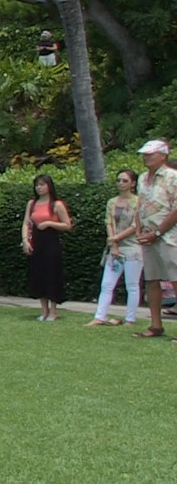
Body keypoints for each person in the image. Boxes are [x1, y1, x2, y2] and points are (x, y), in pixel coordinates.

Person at [133, 140, 177, 339]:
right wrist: (140, 230)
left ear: (163, 155)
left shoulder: (172, 177)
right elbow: (140, 205)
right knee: (152, 280)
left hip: (170, 236)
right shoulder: (142, 179)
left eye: (150, 154)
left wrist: (158, 232)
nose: (146, 157)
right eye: (145, 154)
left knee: (175, 279)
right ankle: (155, 325)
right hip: (148, 236)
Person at [87, 170, 142, 326]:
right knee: (107, 284)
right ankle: (100, 316)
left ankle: (130, 319)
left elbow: (136, 225)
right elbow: (109, 222)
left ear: (133, 184)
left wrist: (117, 238)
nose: (121, 183)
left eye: (125, 181)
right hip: (115, 247)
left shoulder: (138, 202)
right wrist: (113, 243)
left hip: (132, 246)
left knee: (132, 285)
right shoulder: (112, 202)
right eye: (119, 180)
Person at [21, 174, 72, 322]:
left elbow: (67, 225)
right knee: (38, 274)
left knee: (51, 275)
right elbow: (26, 223)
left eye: (42, 185)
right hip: (36, 241)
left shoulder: (57, 205)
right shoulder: (32, 204)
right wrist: (25, 240)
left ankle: (53, 311)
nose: (39, 188)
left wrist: (50, 223)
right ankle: (44, 310)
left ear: (49, 186)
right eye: (37, 185)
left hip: (51, 242)